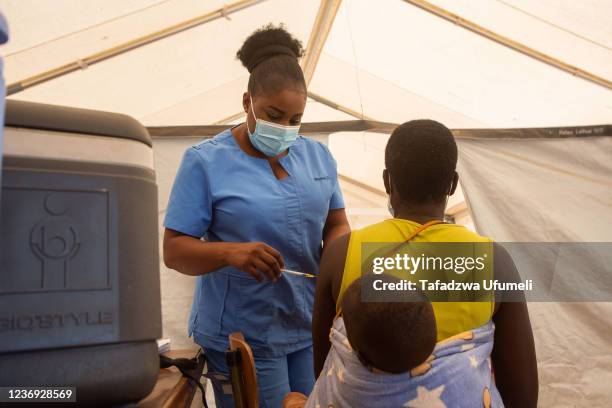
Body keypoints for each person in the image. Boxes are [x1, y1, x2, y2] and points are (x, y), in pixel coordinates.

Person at [163, 24, 350, 408]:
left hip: (308, 323)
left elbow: (336, 223)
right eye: (273, 115)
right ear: (247, 101)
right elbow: (175, 251)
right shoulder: (205, 162)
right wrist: (231, 253)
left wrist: (338, 256)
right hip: (242, 330)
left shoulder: (318, 157)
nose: (284, 129)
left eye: (295, 119)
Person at [312, 120, 538, 407]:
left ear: (386, 181)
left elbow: (324, 372)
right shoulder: (493, 262)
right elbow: (522, 395)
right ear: (452, 184)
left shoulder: (342, 253)